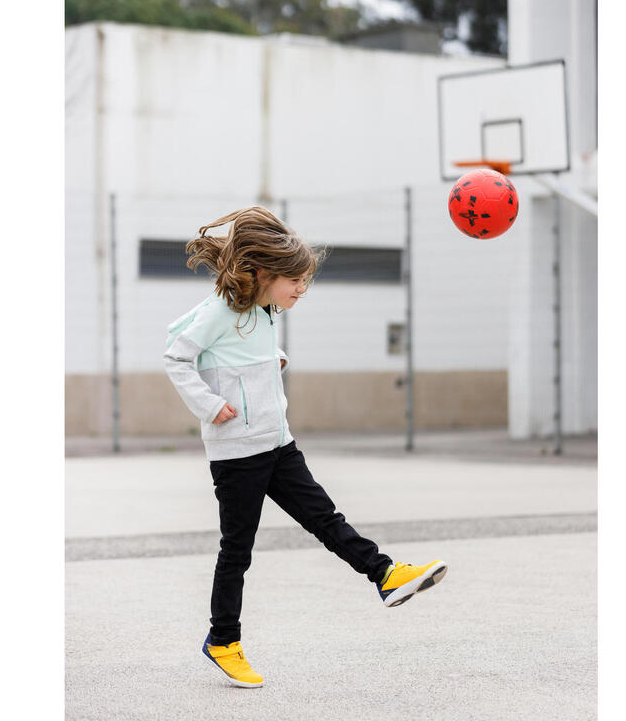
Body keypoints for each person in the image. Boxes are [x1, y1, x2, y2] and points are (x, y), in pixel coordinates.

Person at [163, 206, 447, 689]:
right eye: (294, 280)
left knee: (324, 517)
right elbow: (176, 354)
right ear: (261, 273)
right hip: (238, 454)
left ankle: (386, 575)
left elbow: (245, 354)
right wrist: (210, 406)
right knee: (238, 550)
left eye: (304, 281)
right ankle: (222, 641)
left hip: (277, 442)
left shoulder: (263, 309)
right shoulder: (218, 311)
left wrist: (275, 358)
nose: (301, 289)